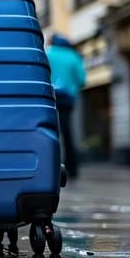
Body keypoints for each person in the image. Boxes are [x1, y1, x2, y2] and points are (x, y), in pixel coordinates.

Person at [46, 33, 86, 180]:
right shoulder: (74, 56)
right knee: (68, 132)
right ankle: (73, 168)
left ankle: (50, 166)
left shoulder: (48, 53)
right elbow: (82, 80)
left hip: (50, 97)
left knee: (50, 131)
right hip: (68, 98)